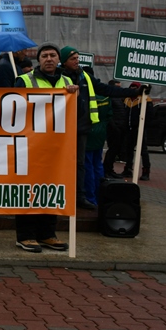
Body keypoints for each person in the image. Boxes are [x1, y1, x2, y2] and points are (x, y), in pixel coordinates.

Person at [59, 46, 144, 209]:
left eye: (77, 58)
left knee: (81, 165)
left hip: (82, 128)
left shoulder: (85, 76)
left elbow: (107, 89)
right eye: (72, 59)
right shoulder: (58, 77)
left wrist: (133, 92)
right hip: (61, 129)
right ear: (64, 62)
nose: (77, 61)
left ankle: (81, 197)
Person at [13, 42, 79, 252]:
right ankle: (25, 236)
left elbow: (76, 112)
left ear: (58, 59)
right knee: (28, 190)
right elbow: (11, 110)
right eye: (44, 56)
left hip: (57, 147)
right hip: (30, 145)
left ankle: (47, 234)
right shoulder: (24, 80)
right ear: (38, 60)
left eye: (52, 55)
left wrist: (74, 96)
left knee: (52, 188)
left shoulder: (68, 81)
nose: (49, 59)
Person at [83, 67, 112, 206]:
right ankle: (100, 196)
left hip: (87, 134)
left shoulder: (85, 95)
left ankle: (90, 197)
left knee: (87, 166)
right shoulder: (105, 97)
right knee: (98, 165)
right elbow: (109, 116)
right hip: (100, 134)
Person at [122, 82, 153, 181]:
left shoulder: (145, 99)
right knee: (128, 149)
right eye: (131, 88)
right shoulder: (126, 100)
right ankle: (128, 169)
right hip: (128, 128)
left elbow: (150, 115)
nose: (133, 90)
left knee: (143, 151)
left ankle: (146, 171)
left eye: (135, 88)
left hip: (140, 129)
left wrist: (143, 127)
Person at [103, 79, 128, 178]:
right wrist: (114, 127)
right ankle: (107, 170)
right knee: (112, 149)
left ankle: (110, 169)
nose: (119, 89)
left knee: (116, 150)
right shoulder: (109, 97)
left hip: (121, 127)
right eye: (117, 87)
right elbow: (108, 114)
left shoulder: (120, 98)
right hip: (113, 128)